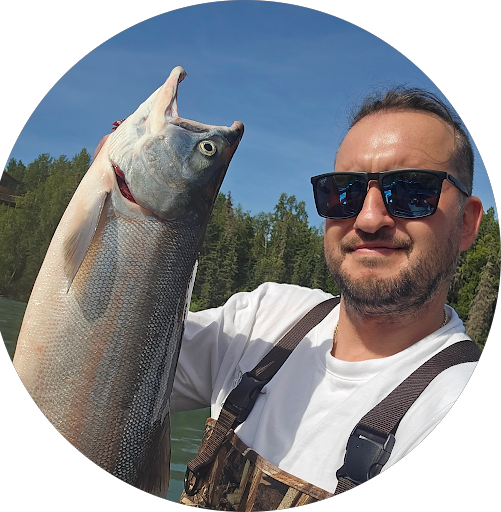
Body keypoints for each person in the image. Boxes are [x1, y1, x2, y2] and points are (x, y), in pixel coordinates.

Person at [171, 86, 484, 508]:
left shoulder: (446, 399)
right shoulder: (263, 317)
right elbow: (102, 364)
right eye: (344, 192)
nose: (369, 219)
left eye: (412, 191)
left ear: (466, 223)